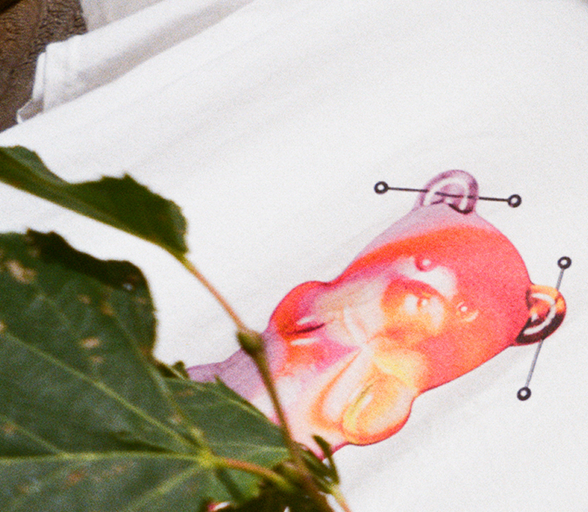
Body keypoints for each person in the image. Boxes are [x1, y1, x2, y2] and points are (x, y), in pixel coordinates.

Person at [188, 170, 566, 450]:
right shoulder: (337, 304)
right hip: (212, 394)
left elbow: (367, 421)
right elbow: (293, 316)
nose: (430, 291)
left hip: (265, 453)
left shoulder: (398, 371)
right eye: (425, 265)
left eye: (461, 305)